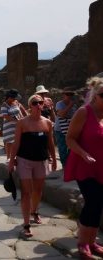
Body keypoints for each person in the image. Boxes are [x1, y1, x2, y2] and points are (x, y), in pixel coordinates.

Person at [64, 75, 103, 259]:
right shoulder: (84, 112)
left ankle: (92, 241)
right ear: (95, 95)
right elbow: (69, 138)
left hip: (101, 167)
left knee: (99, 204)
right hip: (84, 166)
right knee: (93, 201)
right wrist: (83, 153)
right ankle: (82, 242)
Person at [8, 94, 57, 238]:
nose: (38, 105)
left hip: (41, 160)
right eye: (35, 102)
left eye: (40, 102)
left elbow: (50, 143)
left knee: (38, 190)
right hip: (24, 160)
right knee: (26, 192)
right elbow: (16, 143)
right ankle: (26, 224)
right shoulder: (22, 123)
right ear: (30, 105)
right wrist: (11, 160)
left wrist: (54, 159)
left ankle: (34, 211)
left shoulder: (47, 123)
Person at [0, 89, 27, 163]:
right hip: (8, 128)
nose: (14, 99)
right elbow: (5, 116)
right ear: (9, 97)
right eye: (13, 98)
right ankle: (9, 159)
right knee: (9, 142)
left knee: (18, 142)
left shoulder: (17, 103)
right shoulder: (4, 105)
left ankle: (18, 158)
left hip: (18, 127)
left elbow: (24, 111)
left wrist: (26, 119)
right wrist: (17, 121)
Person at [54, 87, 78, 168]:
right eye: (68, 94)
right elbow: (62, 114)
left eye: (71, 94)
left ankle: (70, 164)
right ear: (63, 95)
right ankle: (65, 166)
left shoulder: (74, 105)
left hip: (70, 129)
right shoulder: (59, 104)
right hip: (60, 130)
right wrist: (70, 105)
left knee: (72, 148)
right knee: (62, 148)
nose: (70, 96)